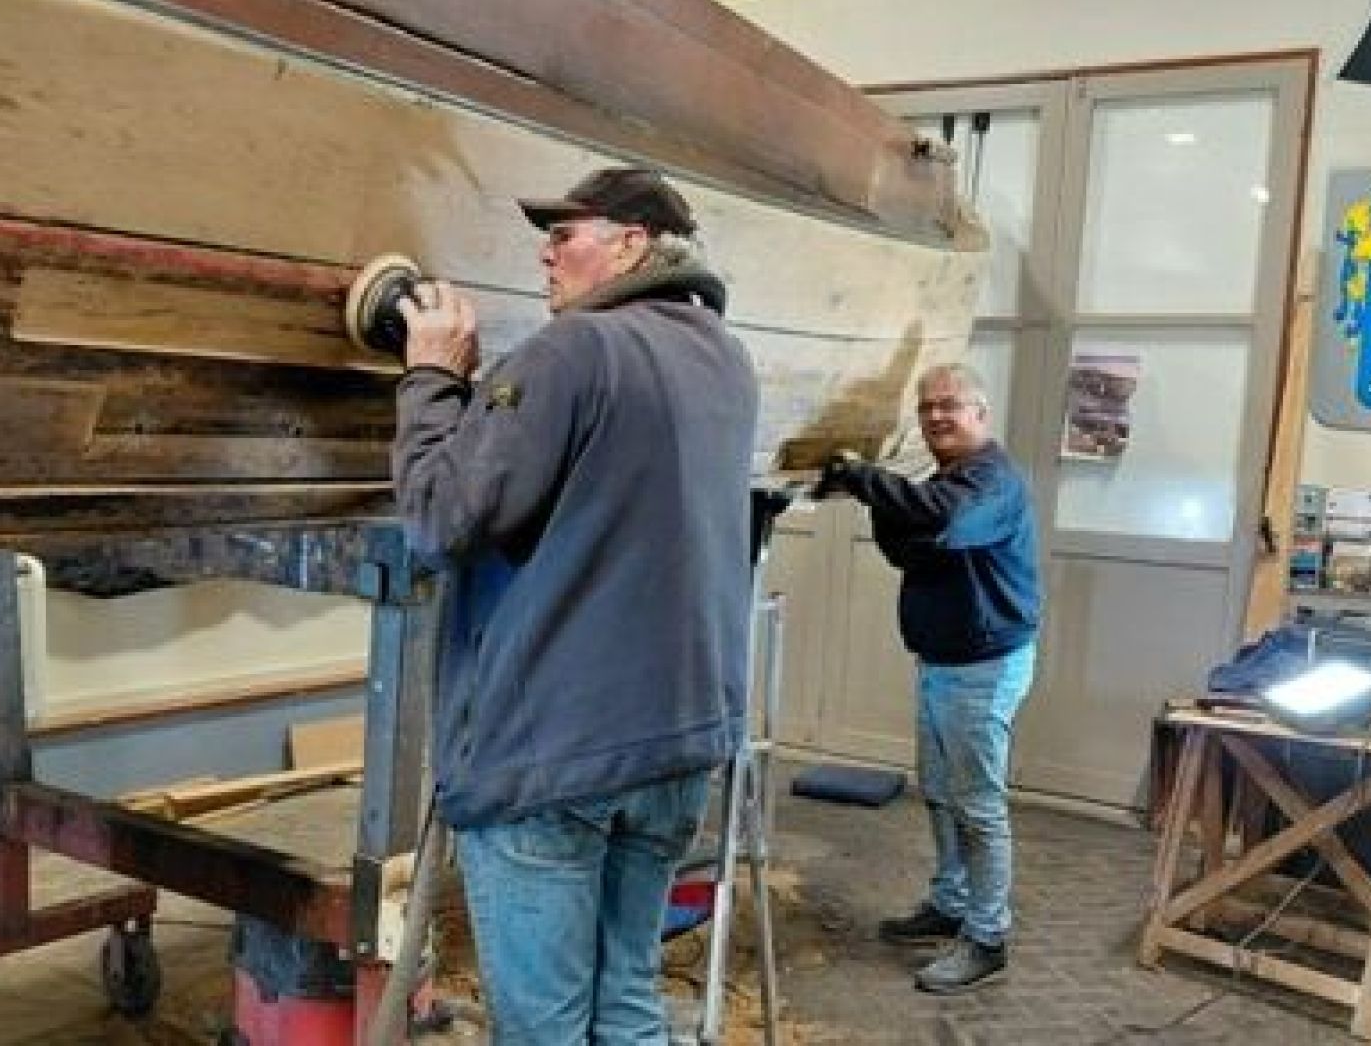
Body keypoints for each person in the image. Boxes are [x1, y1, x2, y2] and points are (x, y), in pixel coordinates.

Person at [390, 166, 759, 1043]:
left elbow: (440, 519)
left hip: (554, 757)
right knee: (626, 1000)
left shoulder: (571, 350)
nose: (545, 252)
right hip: (677, 743)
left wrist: (433, 381)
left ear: (631, 245)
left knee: (544, 1026)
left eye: (566, 235)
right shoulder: (726, 358)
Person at [815, 363, 1041, 994]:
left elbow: (938, 519)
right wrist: (875, 493)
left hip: (984, 667)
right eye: (927, 407)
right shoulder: (948, 480)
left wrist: (866, 478)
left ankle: (987, 936)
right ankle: (951, 902)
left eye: (950, 405)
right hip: (943, 663)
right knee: (939, 792)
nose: (937, 416)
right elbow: (904, 547)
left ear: (980, 414)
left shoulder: (990, 483)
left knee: (978, 805)